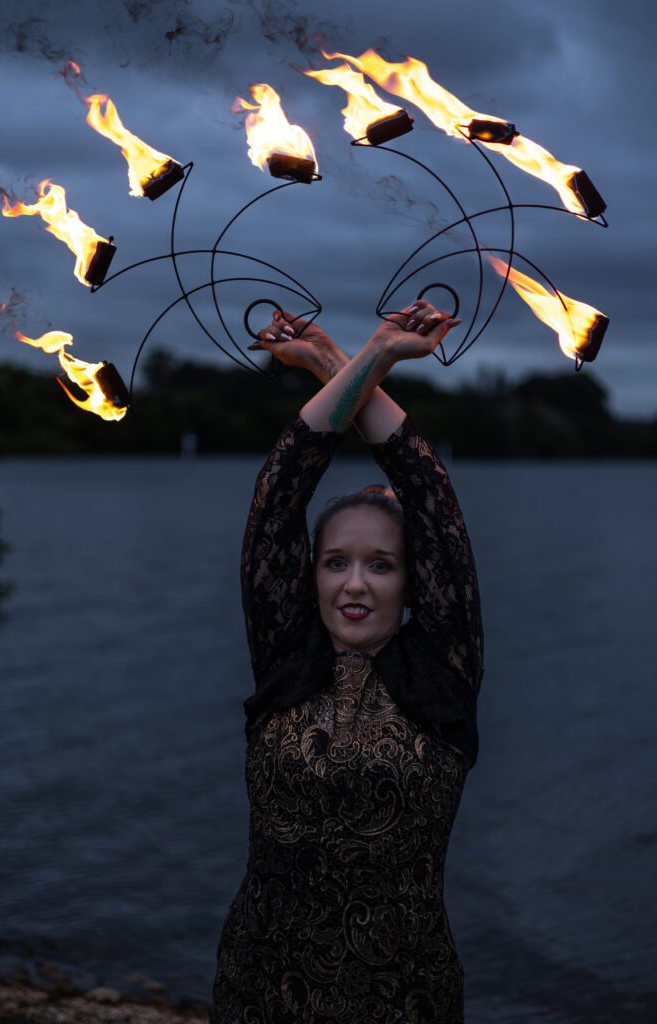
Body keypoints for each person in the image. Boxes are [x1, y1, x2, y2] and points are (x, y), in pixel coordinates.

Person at [210, 300, 484, 1024]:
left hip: (403, 998)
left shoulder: (443, 671)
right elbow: (280, 493)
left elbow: (429, 496)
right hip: (258, 989)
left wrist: (368, 359)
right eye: (334, 562)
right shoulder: (284, 660)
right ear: (312, 576)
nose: (355, 583)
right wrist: (355, 363)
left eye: (381, 565)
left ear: (412, 580)